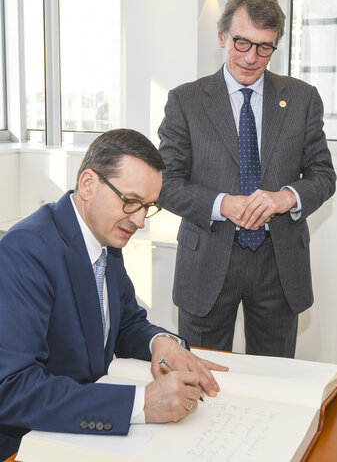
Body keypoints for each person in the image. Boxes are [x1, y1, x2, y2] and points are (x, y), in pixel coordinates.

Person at [0, 129, 227, 460]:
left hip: (81, 431)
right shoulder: (26, 250)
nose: (139, 220)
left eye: (147, 206)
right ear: (89, 184)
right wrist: (141, 404)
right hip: (27, 445)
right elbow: (13, 389)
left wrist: (160, 343)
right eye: (131, 201)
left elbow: (123, 320)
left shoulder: (103, 237)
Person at [158, 0, 336, 359]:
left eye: (264, 47)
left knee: (275, 379)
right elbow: (166, 184)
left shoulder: (302, 98)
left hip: (278, 262)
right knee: (201, 378)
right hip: (207, 259)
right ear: (222, 36)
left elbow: (323, 175)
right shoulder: (185, 100)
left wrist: (286, 197)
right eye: (242, 42)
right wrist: (223, 205)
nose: (251, 57)